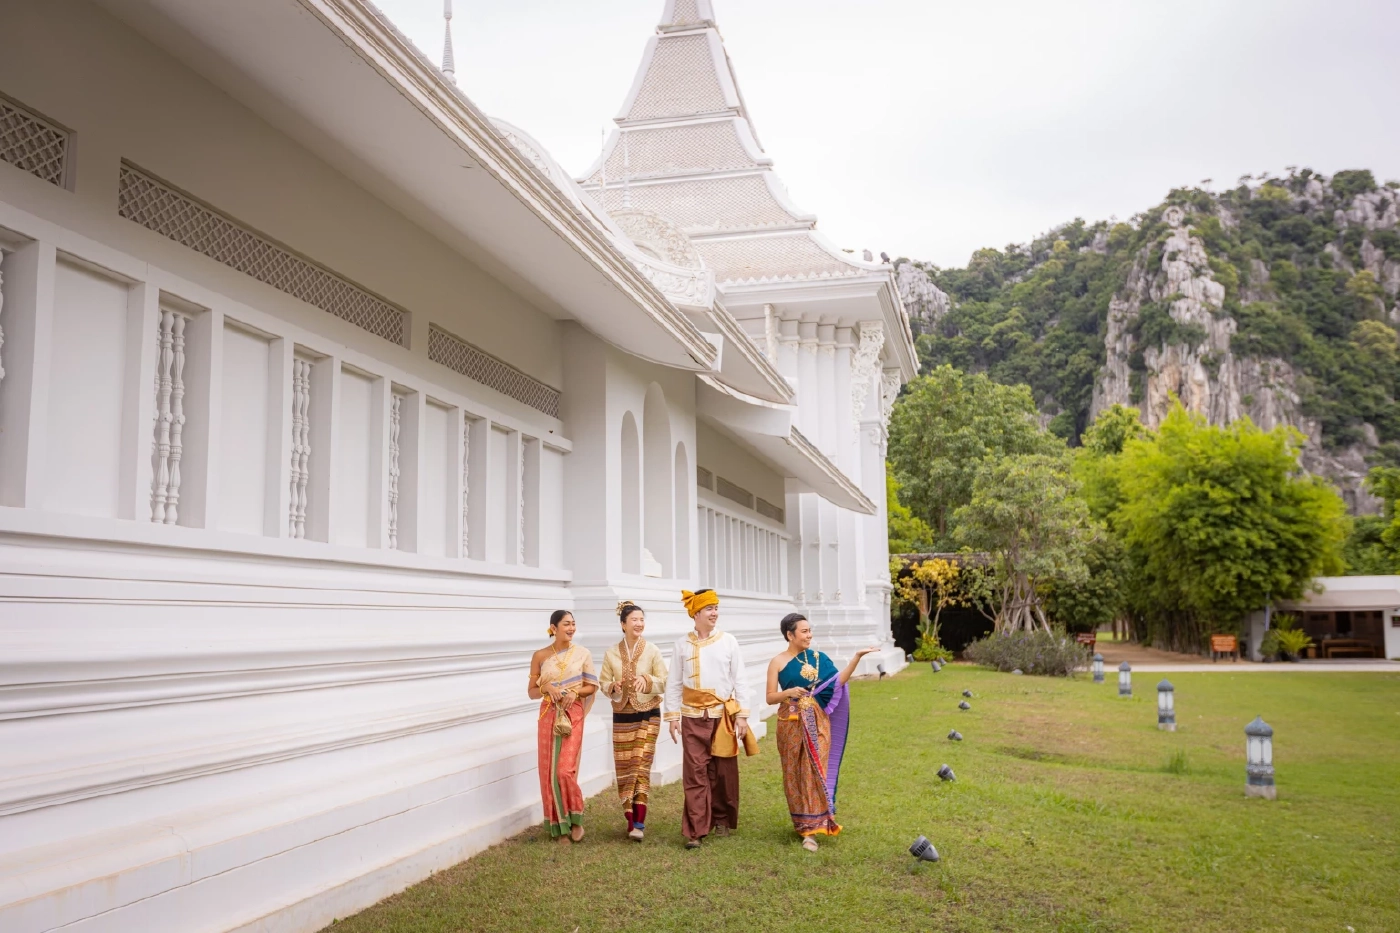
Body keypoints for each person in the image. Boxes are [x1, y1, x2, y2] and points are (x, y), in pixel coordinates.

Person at [764, 613, 877, 851]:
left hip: (817, 722)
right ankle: (803, 825)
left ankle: (813, 831)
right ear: (790, 635)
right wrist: (789, 692)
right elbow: (770, 697)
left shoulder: (818, 658)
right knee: (794, 773)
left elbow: (837, 682)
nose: (809, 635)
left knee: (814, 771)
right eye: (804, 631)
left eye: (810, 630)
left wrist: (856, 657)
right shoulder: (777, 662)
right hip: (790, 723)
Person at [664, 588, 756, 849]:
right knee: (695, 773)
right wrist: (672, 716)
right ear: (695, 613)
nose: (715, 613)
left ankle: (722, 819)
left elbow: (740, 679)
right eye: (709, 609)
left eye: (716, 608)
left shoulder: (728, 641)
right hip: (692, 717)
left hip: (722, 716)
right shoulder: (681, 644)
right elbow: (674, 682)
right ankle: (696, 829)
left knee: (723, 772)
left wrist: (742, 716)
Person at [598, 600, 669, 841]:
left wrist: (647, 680)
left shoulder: (652, 650)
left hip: (649, 713)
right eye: (634, 620)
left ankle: (639, 821)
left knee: (641, 765)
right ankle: (629, 819)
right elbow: (603, 683)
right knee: (625, 767)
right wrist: (613, 687)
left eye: (641, 619)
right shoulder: (611, 653)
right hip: (622, 716)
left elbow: (664, 680)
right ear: (623, 624)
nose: (639, 623)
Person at [528, 609, 598, 844]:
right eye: (566, 624)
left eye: (573, 624)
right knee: (549, 772)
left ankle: (576, 818)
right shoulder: (540, 656)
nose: (571, 628)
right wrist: (546, 688)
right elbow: (531, 692)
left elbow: (591, 686)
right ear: (553, 628)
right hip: (548, 714)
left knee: (564, 770)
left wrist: (575, 693)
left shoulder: (582, 654)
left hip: (572, 713)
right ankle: (559, 826)